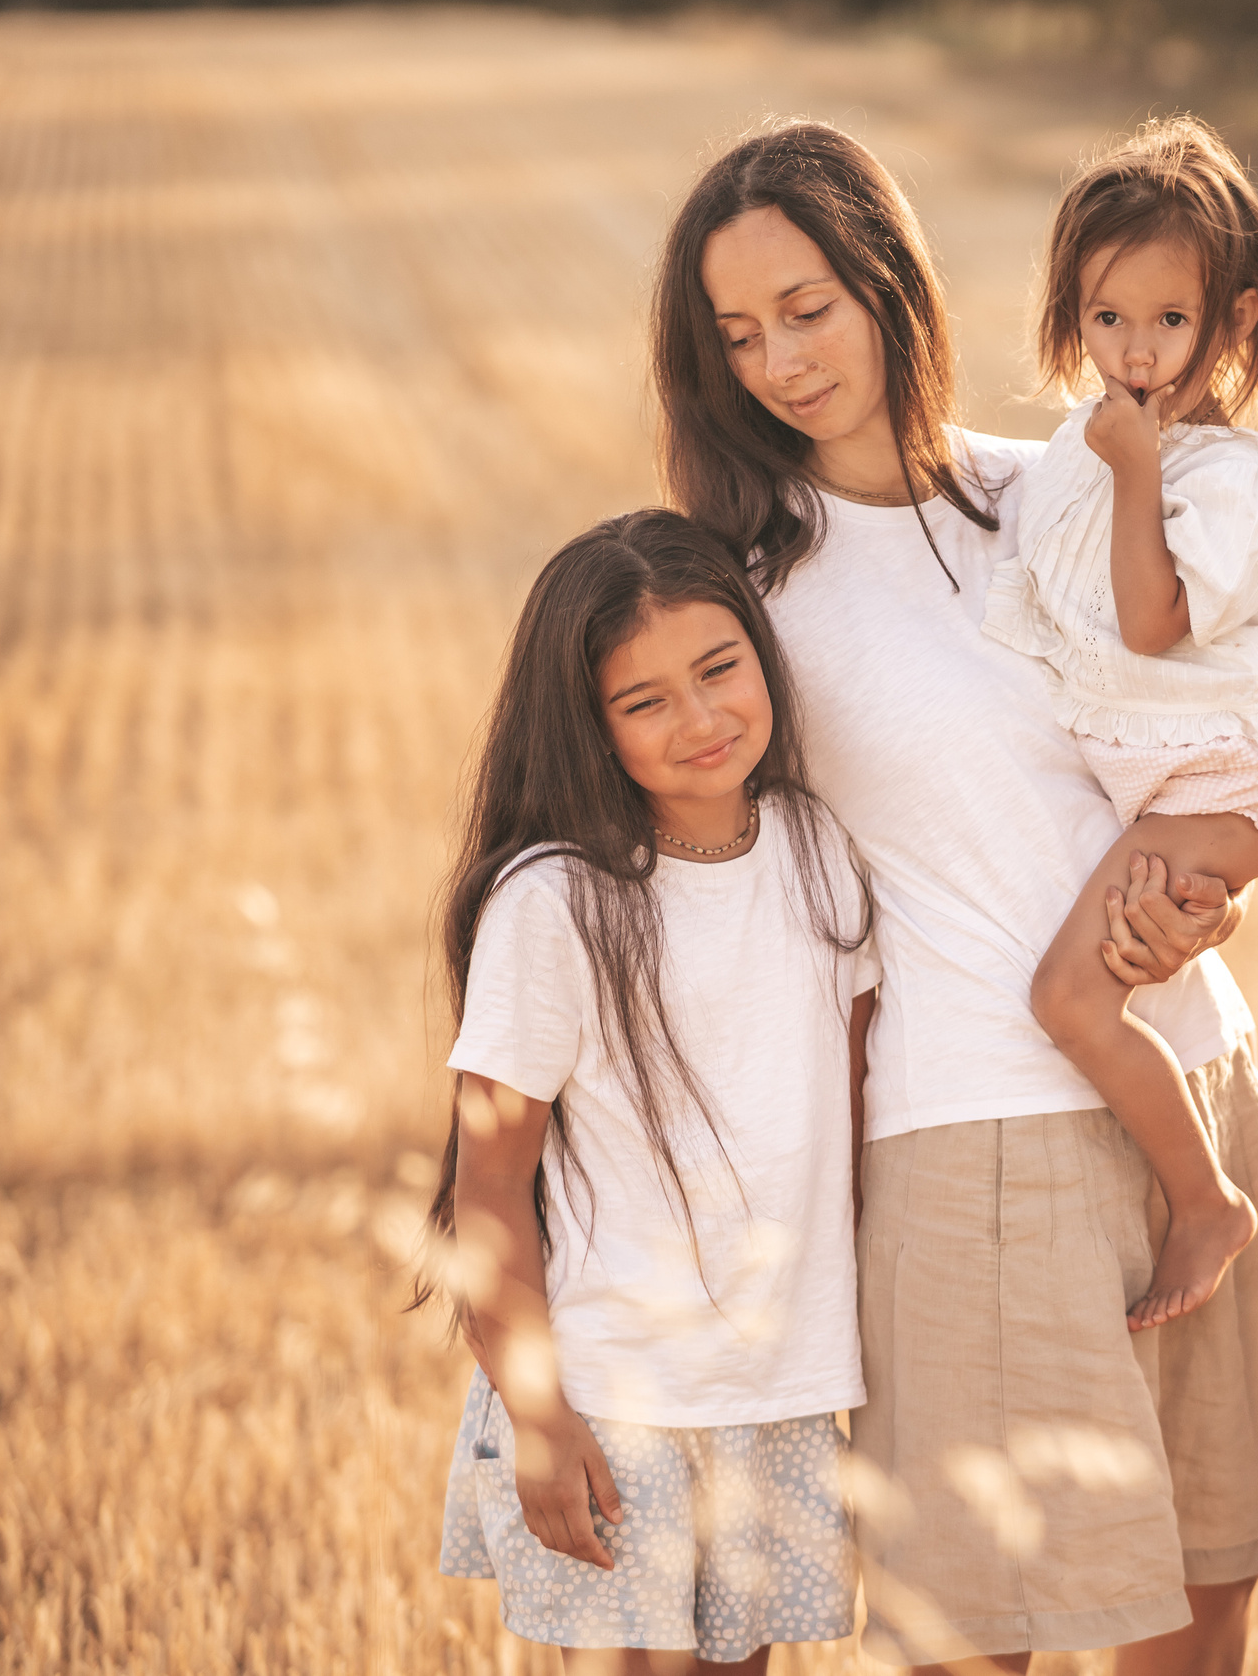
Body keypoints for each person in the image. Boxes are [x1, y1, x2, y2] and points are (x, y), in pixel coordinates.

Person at [648, 120, 1258, 1674]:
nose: (780, 360)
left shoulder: (1054, 482)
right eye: (738, 334)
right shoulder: (738, 591)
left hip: (1186, 1067)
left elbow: (1198, 729)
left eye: (807, 307)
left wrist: (1211, 894)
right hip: (976, 1127)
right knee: (981, 1634)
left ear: (887, 284)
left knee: (1207, 1581)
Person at [420, 511, 879, 1675]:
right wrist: (534, 1415)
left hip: (777, 1387)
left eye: (720, 670)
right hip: (613, 1387)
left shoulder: (821, 852)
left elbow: (863, 1108)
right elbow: (490, 1187)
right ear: (589, 725)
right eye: (645, 701)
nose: (702, 719)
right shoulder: (557, 903)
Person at [983, 117, 1258, 1330]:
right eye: (1105, 318)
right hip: (1166, 781)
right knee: (1080, 986)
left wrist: (1134, 471)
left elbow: (1151, 623)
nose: (1132, 350)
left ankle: (1204, 1197)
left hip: (1215, 784)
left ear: (1234, 322)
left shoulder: (1229, 478)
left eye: (1168, 321)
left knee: (1070, 999)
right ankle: (1198, 1186)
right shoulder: (1089, 436)